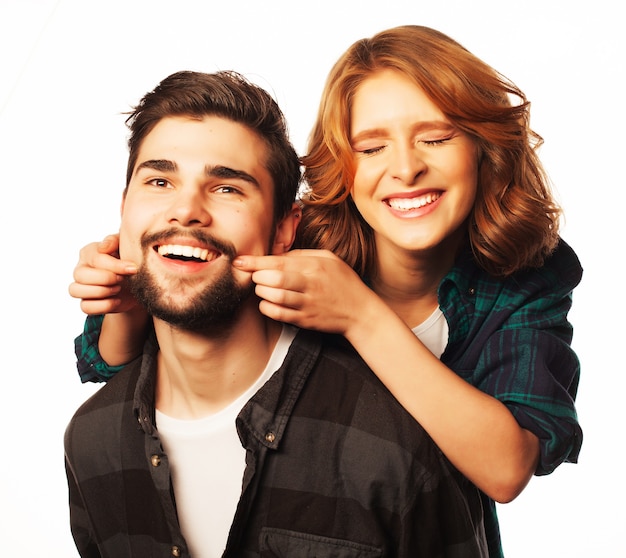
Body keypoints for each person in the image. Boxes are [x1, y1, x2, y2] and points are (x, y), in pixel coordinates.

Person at [69, 26, 583, 557]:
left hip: (417, 520)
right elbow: (141, 352)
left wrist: (360, 314)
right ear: (343, 162)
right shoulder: (302, 240)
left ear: (483, 147)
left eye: (435, 137)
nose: (405, 168)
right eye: (372, 146)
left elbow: (507, 467)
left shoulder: (523, 274)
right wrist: (125, 293)